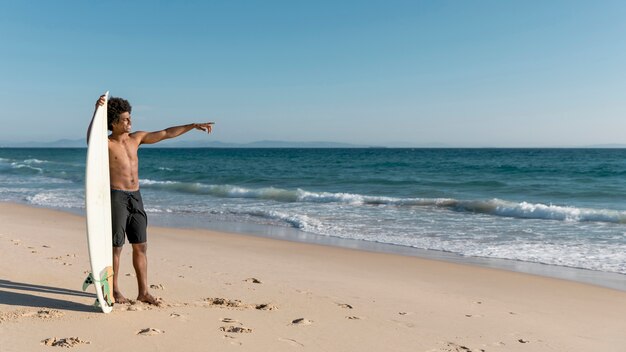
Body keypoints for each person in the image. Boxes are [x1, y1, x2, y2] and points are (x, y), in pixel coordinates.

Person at [89, 94, 214, 306]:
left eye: (130, 118)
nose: (130, 122)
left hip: (136, 196)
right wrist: (96, 112)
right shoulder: (105, 143)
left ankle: (143, 292)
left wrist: (192, 126)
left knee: (141, 245)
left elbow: (165, 133)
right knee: (116, 247)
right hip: (116, 196)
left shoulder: (136, 139)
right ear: (113, 122)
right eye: (125, 119)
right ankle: (114, 290)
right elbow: (90, 139)